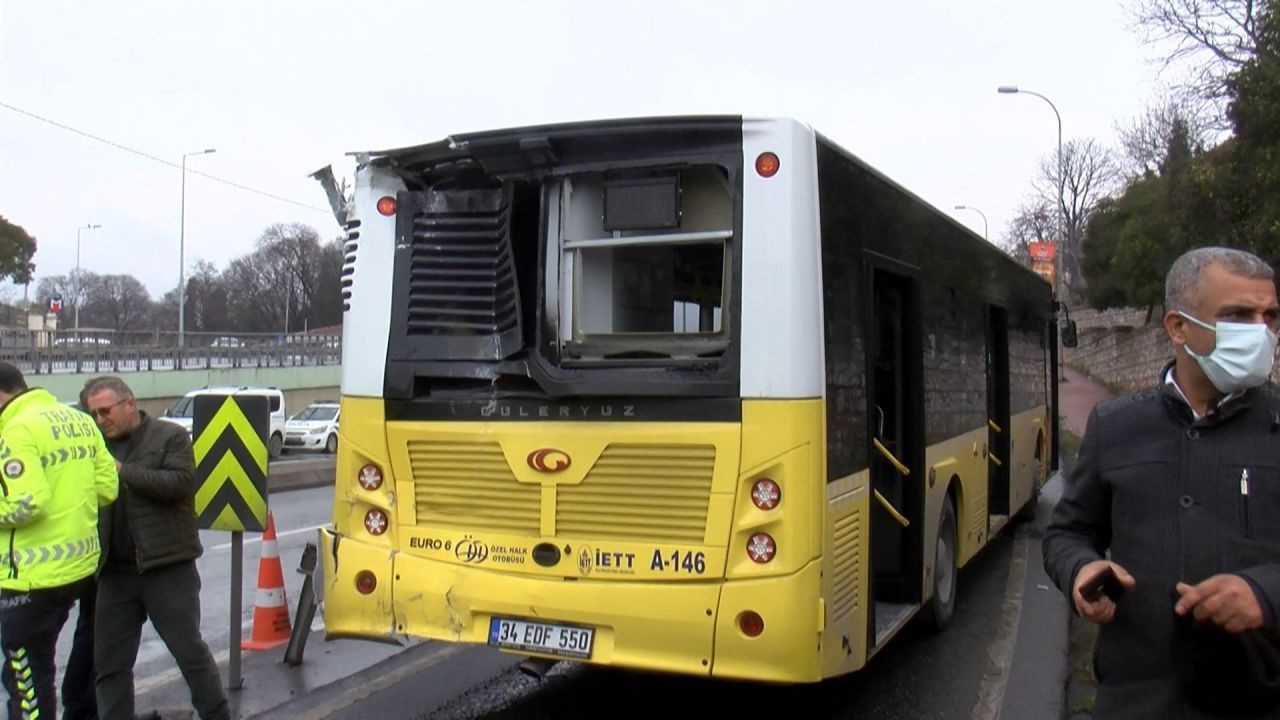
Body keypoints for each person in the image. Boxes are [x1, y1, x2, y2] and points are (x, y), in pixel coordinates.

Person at [1045, 246, 1280, 718]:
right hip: (1136, 700)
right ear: (1178, 327)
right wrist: (1081, 571)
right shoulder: (1114, 425)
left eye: (1270, 316)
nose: (1261, 333)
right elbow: (1068, 532)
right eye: (1238, 315)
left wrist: (1267, 594)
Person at [82, 377, 228, 720]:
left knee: (189, 653)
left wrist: (122, 471)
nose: (101, 420)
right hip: (114, 573)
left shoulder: (169, 436)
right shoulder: (94, 445)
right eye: (94, 415)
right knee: (110, 665)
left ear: (129, 404)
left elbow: (180, 483)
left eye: (105, 411)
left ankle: (217, 715)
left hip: (167, 567)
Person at [0, 362, 117, 719]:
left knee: (28, 683)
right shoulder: (78, 420)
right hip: (78, 569)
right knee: (45, 668)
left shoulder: (15, 430)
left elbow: (26, 502)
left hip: (29, 579)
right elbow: (108, 488)